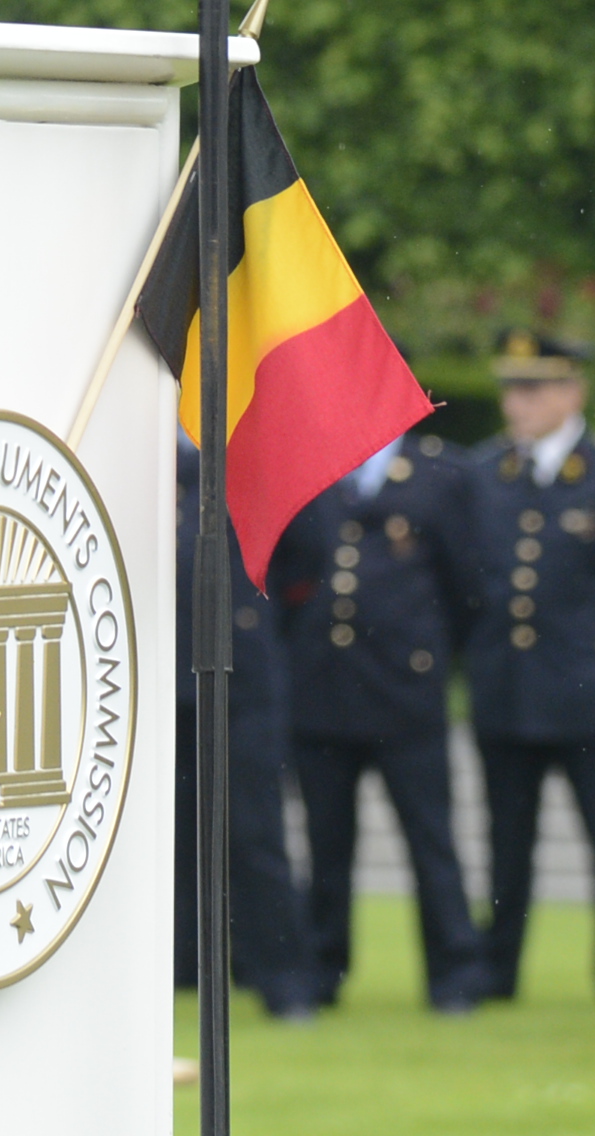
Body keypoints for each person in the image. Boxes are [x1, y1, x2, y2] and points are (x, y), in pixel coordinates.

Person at [267, 423, 485, 1013]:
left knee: (430, 839)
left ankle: (455, 974)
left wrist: (430, 655)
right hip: (322, 687)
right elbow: (285, 570)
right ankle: (321, 968)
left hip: (404, 692)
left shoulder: (442, 474)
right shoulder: (309, 460)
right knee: (326, 842)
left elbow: (468, 584)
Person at [463, 326, 595, 1007]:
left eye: (535, 388)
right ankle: (497, 969)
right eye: (512, 389)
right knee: (507, 842)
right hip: (505, 685)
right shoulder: (484, 473)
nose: (520, 403)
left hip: (587, 688)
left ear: (574, 391)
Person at [176, 444, 317, 1020]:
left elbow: (306, 565)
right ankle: (181, 968)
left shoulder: (255, 467)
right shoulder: (160, 469)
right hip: (169, 675)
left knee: (255, 834)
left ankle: (283, 978)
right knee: (173, 837)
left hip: (244, 678)